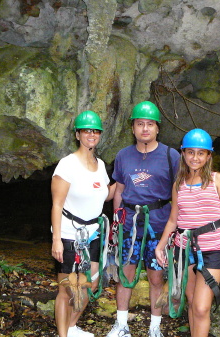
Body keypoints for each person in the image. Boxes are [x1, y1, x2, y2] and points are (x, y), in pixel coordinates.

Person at [107, 101, 180, 337]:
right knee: (125, 274)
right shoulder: (123, 156)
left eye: (150, 124)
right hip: (129, 224)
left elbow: (179, 194)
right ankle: (121, 325)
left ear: (158, 128)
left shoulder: (171, 156)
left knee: (156, 276)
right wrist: (116, 223)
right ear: (133, 128)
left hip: (159, 225)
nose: (145, 129)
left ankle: (154, 328)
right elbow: (118, 189)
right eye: (140, 124)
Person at [155, 128, 220, 337]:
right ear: (183, 153)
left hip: (213, 250)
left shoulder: (218, 180)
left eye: (201, 153)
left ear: (209, 155)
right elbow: (174, 219)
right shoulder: (178, 185)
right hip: (185, 250)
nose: (195, 157)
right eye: (191, 152)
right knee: (191, 302)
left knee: (201, 307)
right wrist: (161, 245)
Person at [51, 110, 115, 337]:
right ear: (77, 134)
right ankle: (63, 335)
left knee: (91, 285)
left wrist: (124, 182)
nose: (91, 134)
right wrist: (56, 239)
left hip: (93, 233)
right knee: (67, 289)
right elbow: (57, 204)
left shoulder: (100, 166)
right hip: (69, 233)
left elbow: (105, 195)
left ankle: (72, 326)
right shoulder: (67, 165)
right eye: (86, 130)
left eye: (95, 131)